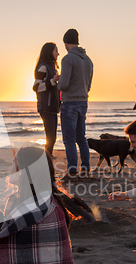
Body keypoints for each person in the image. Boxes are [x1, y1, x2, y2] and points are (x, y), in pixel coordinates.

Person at [57, 28, 93, 182]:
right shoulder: (88, 60)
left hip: (70, 102)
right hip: (83, 101)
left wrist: (56, 81)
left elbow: (63, 85)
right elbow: (89, 85)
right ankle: (85, 169)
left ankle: (72, 172)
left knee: (69, 139)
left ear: (65, 42)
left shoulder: (67, 59)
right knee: (81, 137)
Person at [33, 42, 61, 155]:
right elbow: (36, 87)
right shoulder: (43, 66)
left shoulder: (53, 67)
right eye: (56, 51)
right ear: (50, 52)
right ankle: (46, 159)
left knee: (52, 138)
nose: (58, 54)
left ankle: (47, 158)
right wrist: (52, 81)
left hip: (53, 107)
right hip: (46, 107)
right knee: (51, 137)